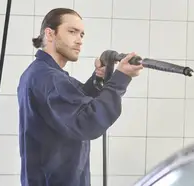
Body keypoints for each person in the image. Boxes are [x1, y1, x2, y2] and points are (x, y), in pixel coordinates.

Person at [17, 8, 143, 186]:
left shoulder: (41, 73)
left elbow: (73, 105)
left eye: (82, 35)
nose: (79, 40)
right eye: (72, 32)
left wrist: (98, 78)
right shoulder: (50, 78)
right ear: (50, 33)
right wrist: (121, 78)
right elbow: (86, 121)